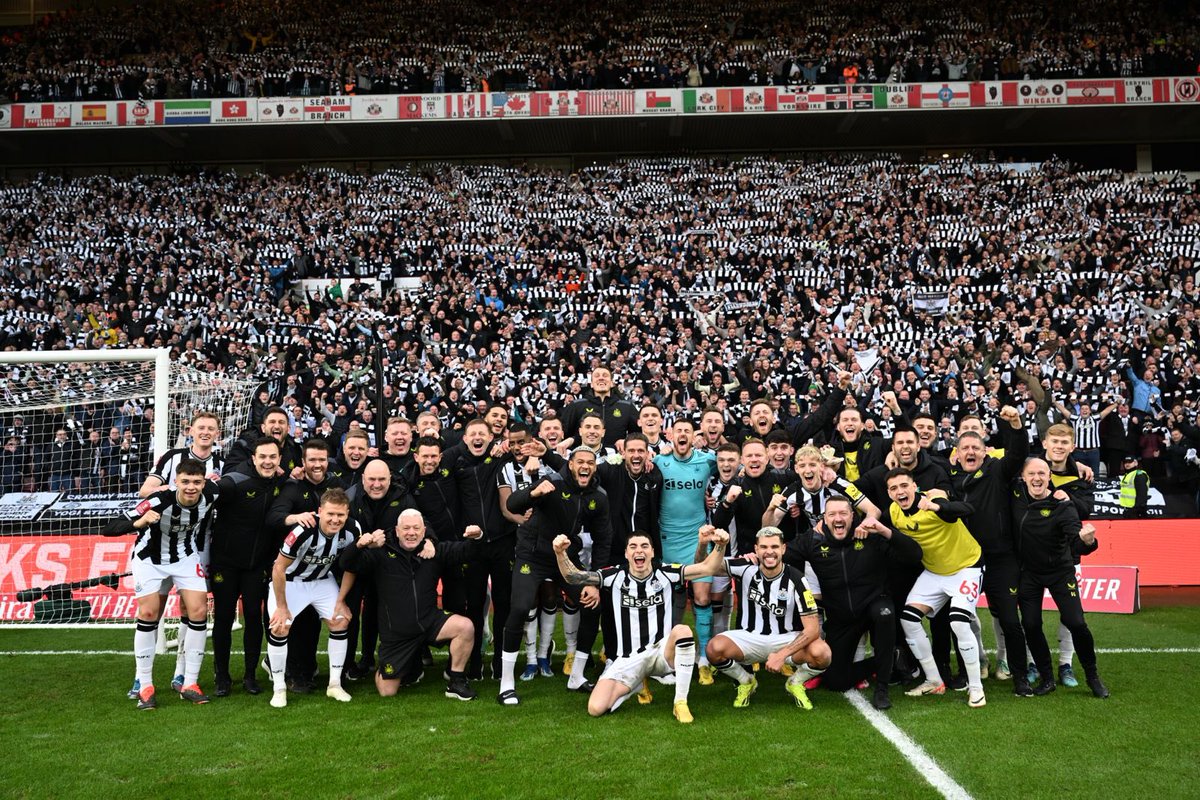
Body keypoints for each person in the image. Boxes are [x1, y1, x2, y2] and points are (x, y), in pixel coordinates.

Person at [551, 527, 732, 723]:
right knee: (596, 708)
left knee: (682, 630)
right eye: (633, 547)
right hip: (627, 658)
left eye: (645, 546)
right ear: (626, 553)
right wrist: (560, 553)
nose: (639, 551)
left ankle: (680, 702)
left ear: (652, 552)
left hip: (661, 654)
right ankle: (637, 684)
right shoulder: (612, 576)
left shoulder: (667, 572)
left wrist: (720, 546)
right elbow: (573, 576)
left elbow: (707, 569)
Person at [497, 447, 613, 704]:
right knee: (519, 608)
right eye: (579, 462)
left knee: (592, 605)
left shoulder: (599, 496)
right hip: (532, 555)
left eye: (590, 463)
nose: (585, 466)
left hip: (563, 558)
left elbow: (604, 540)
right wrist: (533, 493)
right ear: (570, 464)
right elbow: (512, 503)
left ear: (594, 467)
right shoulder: (553, 481)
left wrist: (595, 581)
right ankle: (507, 683)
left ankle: (577, 676)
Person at [102, 459, 219, 710]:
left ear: (204, 483)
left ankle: (190, 683)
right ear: (175, 481)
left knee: (199, 611)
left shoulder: (213, 493)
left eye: (196, 482)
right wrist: (139, 522)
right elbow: (110, 528)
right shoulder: (157, 500)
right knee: (148, 613)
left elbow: (234, 486)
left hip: (185, 557)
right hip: (149, 560)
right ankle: (145, 686)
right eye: (185, 481)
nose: (191, 487)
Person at [869, 467, 987, 708]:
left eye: (904, 486)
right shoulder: (893, 511)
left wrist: (938, 506)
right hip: (934, 572)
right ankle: (934, 680)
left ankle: (976, 688)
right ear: (889, 493)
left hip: (967, 567)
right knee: (908, 619)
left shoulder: (933, 500)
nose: (900, 491)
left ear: (914, 486)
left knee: (958, 622)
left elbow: (968, 509)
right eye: (893, 488)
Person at [791, 495, 922, 710]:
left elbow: (914, 554)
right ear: (824, 518)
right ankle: (891, 658)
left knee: (884, 613)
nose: (838, 518)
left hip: (874, 604)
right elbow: (779, 556)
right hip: (842, 617)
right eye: (832, 514)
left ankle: (882, 688)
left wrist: (884, 530)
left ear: (853, 516)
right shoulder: (812, 540)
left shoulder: (870, 535)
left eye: (843, 513)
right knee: (835, 681)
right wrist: (753, 555)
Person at [338, 509, 482, 701]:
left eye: (416, 528)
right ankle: (403, 666)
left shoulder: (433, 550)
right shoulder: (380, 553)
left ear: (424, 532)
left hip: (429, 622)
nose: (411, 533)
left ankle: (456, 681)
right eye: (406, 528)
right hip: (397, 634)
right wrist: (360, 545)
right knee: (387, 691)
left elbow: (468, 552)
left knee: (465, 627)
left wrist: (477, 536)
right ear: (397, 531)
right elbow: (347, 563)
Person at [946, 405, 1032, 696]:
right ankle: (967, 672)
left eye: (975, 447)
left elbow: (1018, 455)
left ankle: (1020, 675)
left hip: (1000, 560)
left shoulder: (997, 471)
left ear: (985, 452)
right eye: (964, 448)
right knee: (960, 619)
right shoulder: (949, 479)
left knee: (1009, 619)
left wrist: (1016, 428)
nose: (970, 452)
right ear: (956, 453)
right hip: (966, 563)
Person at [1011, 458, 1109, 698]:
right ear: (1023, 477)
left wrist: (1088, 542)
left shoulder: (1062, 504)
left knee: (1076, 622)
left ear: (1049, 477)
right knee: (1031, 624)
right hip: (1029, 574)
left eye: (1042, 474)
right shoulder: (1014, 497)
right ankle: (1046, 678)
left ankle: (1092, 676)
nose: (1037, 478)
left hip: (1060, 572)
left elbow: (1076, 539)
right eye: (1032, 474)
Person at [705, 525, 830, 710]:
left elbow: (812, 629)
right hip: (750, 637)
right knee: (714, 649)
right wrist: (706, 545)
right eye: (764, 547)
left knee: (823, 653)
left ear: (783, 549)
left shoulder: (797, 578)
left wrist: (781, 656)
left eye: (774, 547)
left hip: (785, 639)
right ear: (756, 549)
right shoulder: (745, 567)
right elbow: (705, 567)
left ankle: (795, 682)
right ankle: (746, 681)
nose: (769, 552)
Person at [265, 487, 360, 708]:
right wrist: (281, 606)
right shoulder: (303, 531)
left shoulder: (353, 530)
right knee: (280, 626)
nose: (335, 520)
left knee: (340, 620)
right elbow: (278, 568)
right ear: (320, 512)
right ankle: (278, 687)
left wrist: (341, 600)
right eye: (330, 514)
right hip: (291, 582)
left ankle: (335, 685)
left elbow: (350, 566)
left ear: (347, 514)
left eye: (340, 515)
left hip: (322, 581)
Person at [208, 437, 288, 697]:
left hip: (258, 565)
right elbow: (212, 492)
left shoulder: (282, 483)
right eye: (262, 456)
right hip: (226, 563)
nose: (267, 461)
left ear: (279, 459)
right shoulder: (236, 480)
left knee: (254, 617)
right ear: (253, 458)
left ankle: (251, 676)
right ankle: (222, 676)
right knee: (223, 617)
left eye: (272, 457)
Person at [266, 438, 344, 693]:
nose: (317, 464)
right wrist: (295, 517)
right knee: (287, 623)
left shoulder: (335, 486)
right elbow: (274, 517)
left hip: (322, 571)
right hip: (290, 568)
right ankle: (286, 671)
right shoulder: (293, 487)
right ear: (303, 462)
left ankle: (308, 670)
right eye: (312, 460)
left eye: (322, 460)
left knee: (314, 625)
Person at [653, 417, 718, 675]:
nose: (682, 435)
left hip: (698, 538)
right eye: (678, 430)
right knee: (672, 600)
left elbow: (731, 463)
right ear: (670, 435)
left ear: (694, 437)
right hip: (667, 539)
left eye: (687, 431)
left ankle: (703, 659)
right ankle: (668, 659)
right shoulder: (659, 460)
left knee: (702, 597)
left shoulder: (706, 460)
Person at [342, 459, 414, 681]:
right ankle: (346, 665)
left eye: (382, 479)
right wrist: (363, 545)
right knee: (350, 613)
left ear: (390, 479)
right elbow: (342, 536)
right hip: (356, 565)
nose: (376, 484)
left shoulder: (403, 497)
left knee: (380, 613)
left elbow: (413, 528)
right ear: (363, 480)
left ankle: (375, 659)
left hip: (388, 565)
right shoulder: (350, 498)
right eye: (371, 479)